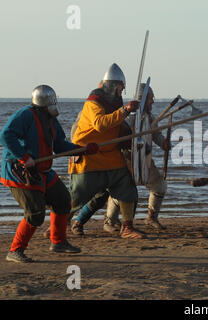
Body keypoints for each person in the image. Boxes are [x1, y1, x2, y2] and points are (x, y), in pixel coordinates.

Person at [1, 85, 98, 263]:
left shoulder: (51, 119)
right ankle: (15, 250)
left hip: (43, 170)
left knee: (62, 200)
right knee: (35, 212)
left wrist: (82, 150)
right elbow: (5, 136)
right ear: (46, 102)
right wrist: (24, 156)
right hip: (20, 171)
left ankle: (58, 242)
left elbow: (59, 145)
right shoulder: (25, 115)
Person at [69, 63, 144, 239]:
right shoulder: (93, 102)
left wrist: (130, 136)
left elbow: (118, 125)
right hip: (88, 155)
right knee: (77, 197)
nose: (122, 91)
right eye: (120, 87)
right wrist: (125, 110)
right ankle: (58, 226)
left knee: (126, 186)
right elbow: (100, 124)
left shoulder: (114, 104)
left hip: (110, 155)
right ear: (112, 85)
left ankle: (127, 228)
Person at [103, 82, 171, 232]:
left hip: (144, 158)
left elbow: (155, 134)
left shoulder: (149, 117)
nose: (153, 101)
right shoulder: (128, 118)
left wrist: (164, 143)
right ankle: (110, 221)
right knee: (122, 190)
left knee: (159, 186)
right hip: (127, 159)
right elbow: (120, 137)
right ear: (142, 99)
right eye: (150, 99)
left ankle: (151, 218)